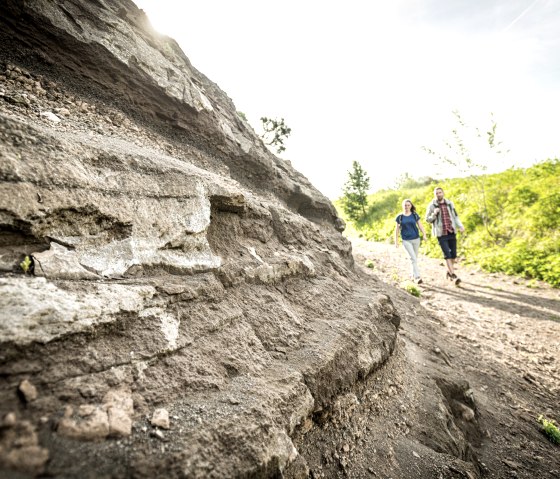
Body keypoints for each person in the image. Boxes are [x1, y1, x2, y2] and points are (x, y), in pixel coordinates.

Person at [425, 187, 465, 284]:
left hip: (451, 231)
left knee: (454, 255)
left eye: (440, 192)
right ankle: (453, 275)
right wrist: (434, 214)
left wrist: (460, 226)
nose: (438, 194)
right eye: (436, 193)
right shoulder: (432, 205)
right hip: (441, 233)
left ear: (443, 193)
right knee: (447, 254)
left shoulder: (450, 204)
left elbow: (455, 216)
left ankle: (448, 271)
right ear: (435, 195)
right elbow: (427, 219)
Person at [394, 199, 427, 284]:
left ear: (411, 206)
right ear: (403, 206)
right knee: (413, 258)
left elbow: (420, 225)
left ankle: (412, 275)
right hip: (406, 240)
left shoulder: (415, 215)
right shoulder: (400, 217)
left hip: (416, 239)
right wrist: (396, 241)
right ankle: (417, 277)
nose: (407, 207)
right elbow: (397, 230)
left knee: (414, 259)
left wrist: (424, 234)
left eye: (408, 205)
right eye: (405, 205)